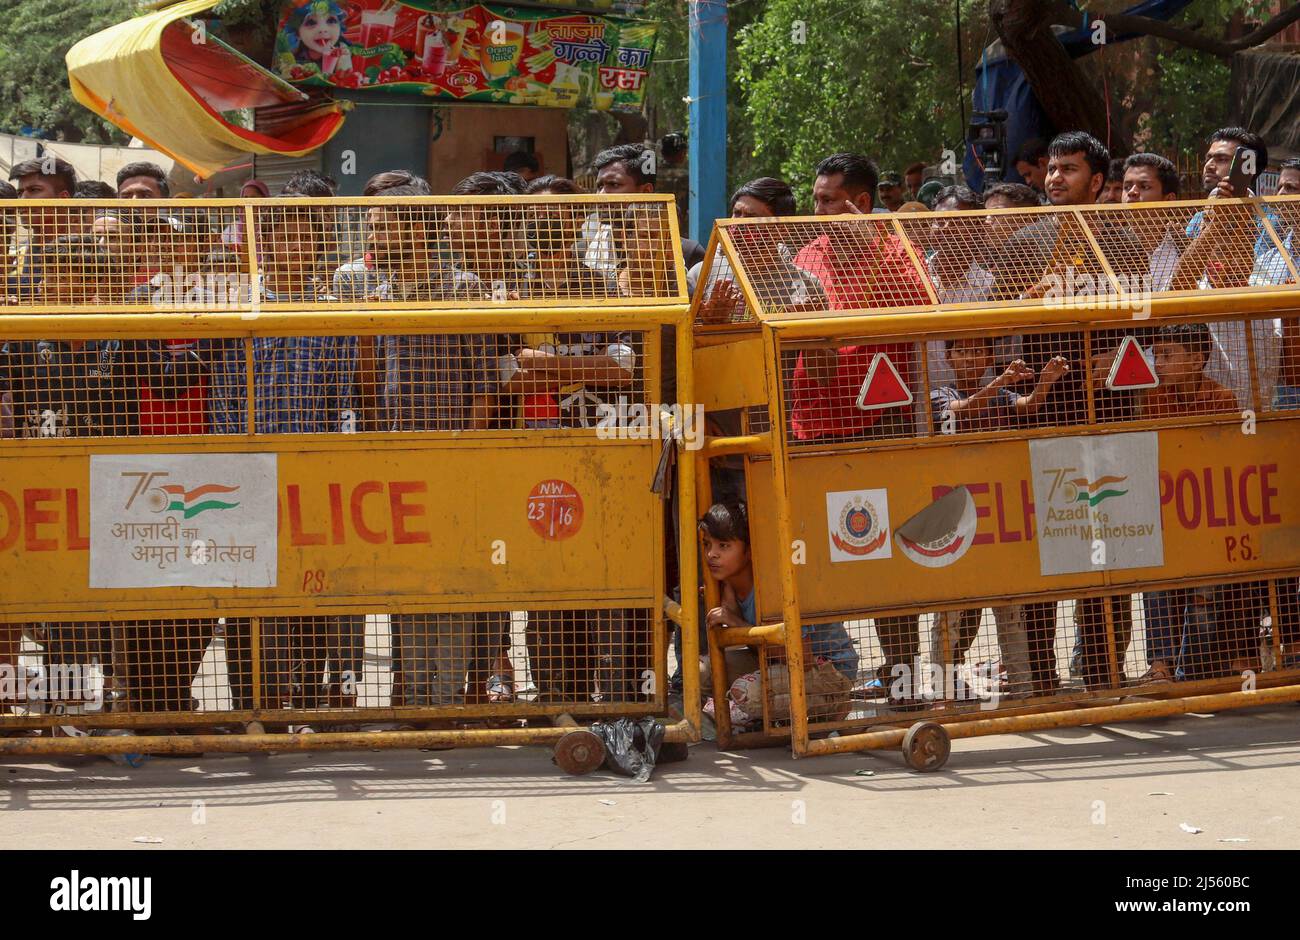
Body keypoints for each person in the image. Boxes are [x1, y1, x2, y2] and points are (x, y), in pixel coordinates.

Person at [788, 152, 930, 703]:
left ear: (862, 203)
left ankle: (905, 678)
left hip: (879, 430)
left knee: (890, 562)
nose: (817, 210)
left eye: (828, 200)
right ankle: (828, 678)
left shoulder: (899, 253)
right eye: (815, 199)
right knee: (818, 562)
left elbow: (920, 316)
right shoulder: (807, 255)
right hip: (812, 430)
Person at [1134, 323, 1237, 682]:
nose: (1158, 363)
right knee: (1158, 584)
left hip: (1210, 515)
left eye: (1167, 355)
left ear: (1196, 360)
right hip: (1164, 514)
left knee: (1204, 594)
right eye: (1157, 355)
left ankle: (1198, 669)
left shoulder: (1222, 398)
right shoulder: (1150, 398)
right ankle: (1160, 666)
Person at [699, 501, 858, 728]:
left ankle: (833, 704)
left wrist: (736, 623)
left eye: (724, 546)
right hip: (778, 663)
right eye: (707, 544)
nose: (711, 554)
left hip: (829, 670)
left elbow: (800, 657)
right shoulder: (728, 586)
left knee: (746, 693)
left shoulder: (775, 585)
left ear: (750, 551)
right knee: (701, 672)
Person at [7, 156, 78, 302]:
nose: (22, 201)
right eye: (20, 193)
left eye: (34, 190)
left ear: (63, 198)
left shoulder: (89, 252)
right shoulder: (14, 257)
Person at [1121, 153, 1184, 291]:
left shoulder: (1184, 247)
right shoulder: (1109, 245)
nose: (1132, 192)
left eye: (1144, 187)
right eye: (1126, 187)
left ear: (1168, 200)